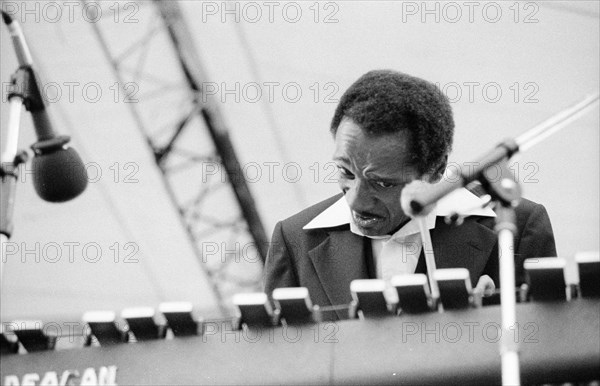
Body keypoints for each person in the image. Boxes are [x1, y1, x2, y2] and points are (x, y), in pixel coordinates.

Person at [263, 70, 556, 316]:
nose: (356, 200)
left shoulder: (518, 227)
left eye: (384, 183)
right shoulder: (294, 240)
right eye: (345, 172)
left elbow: (551, 363)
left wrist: (481, 334)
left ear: (436, 171)